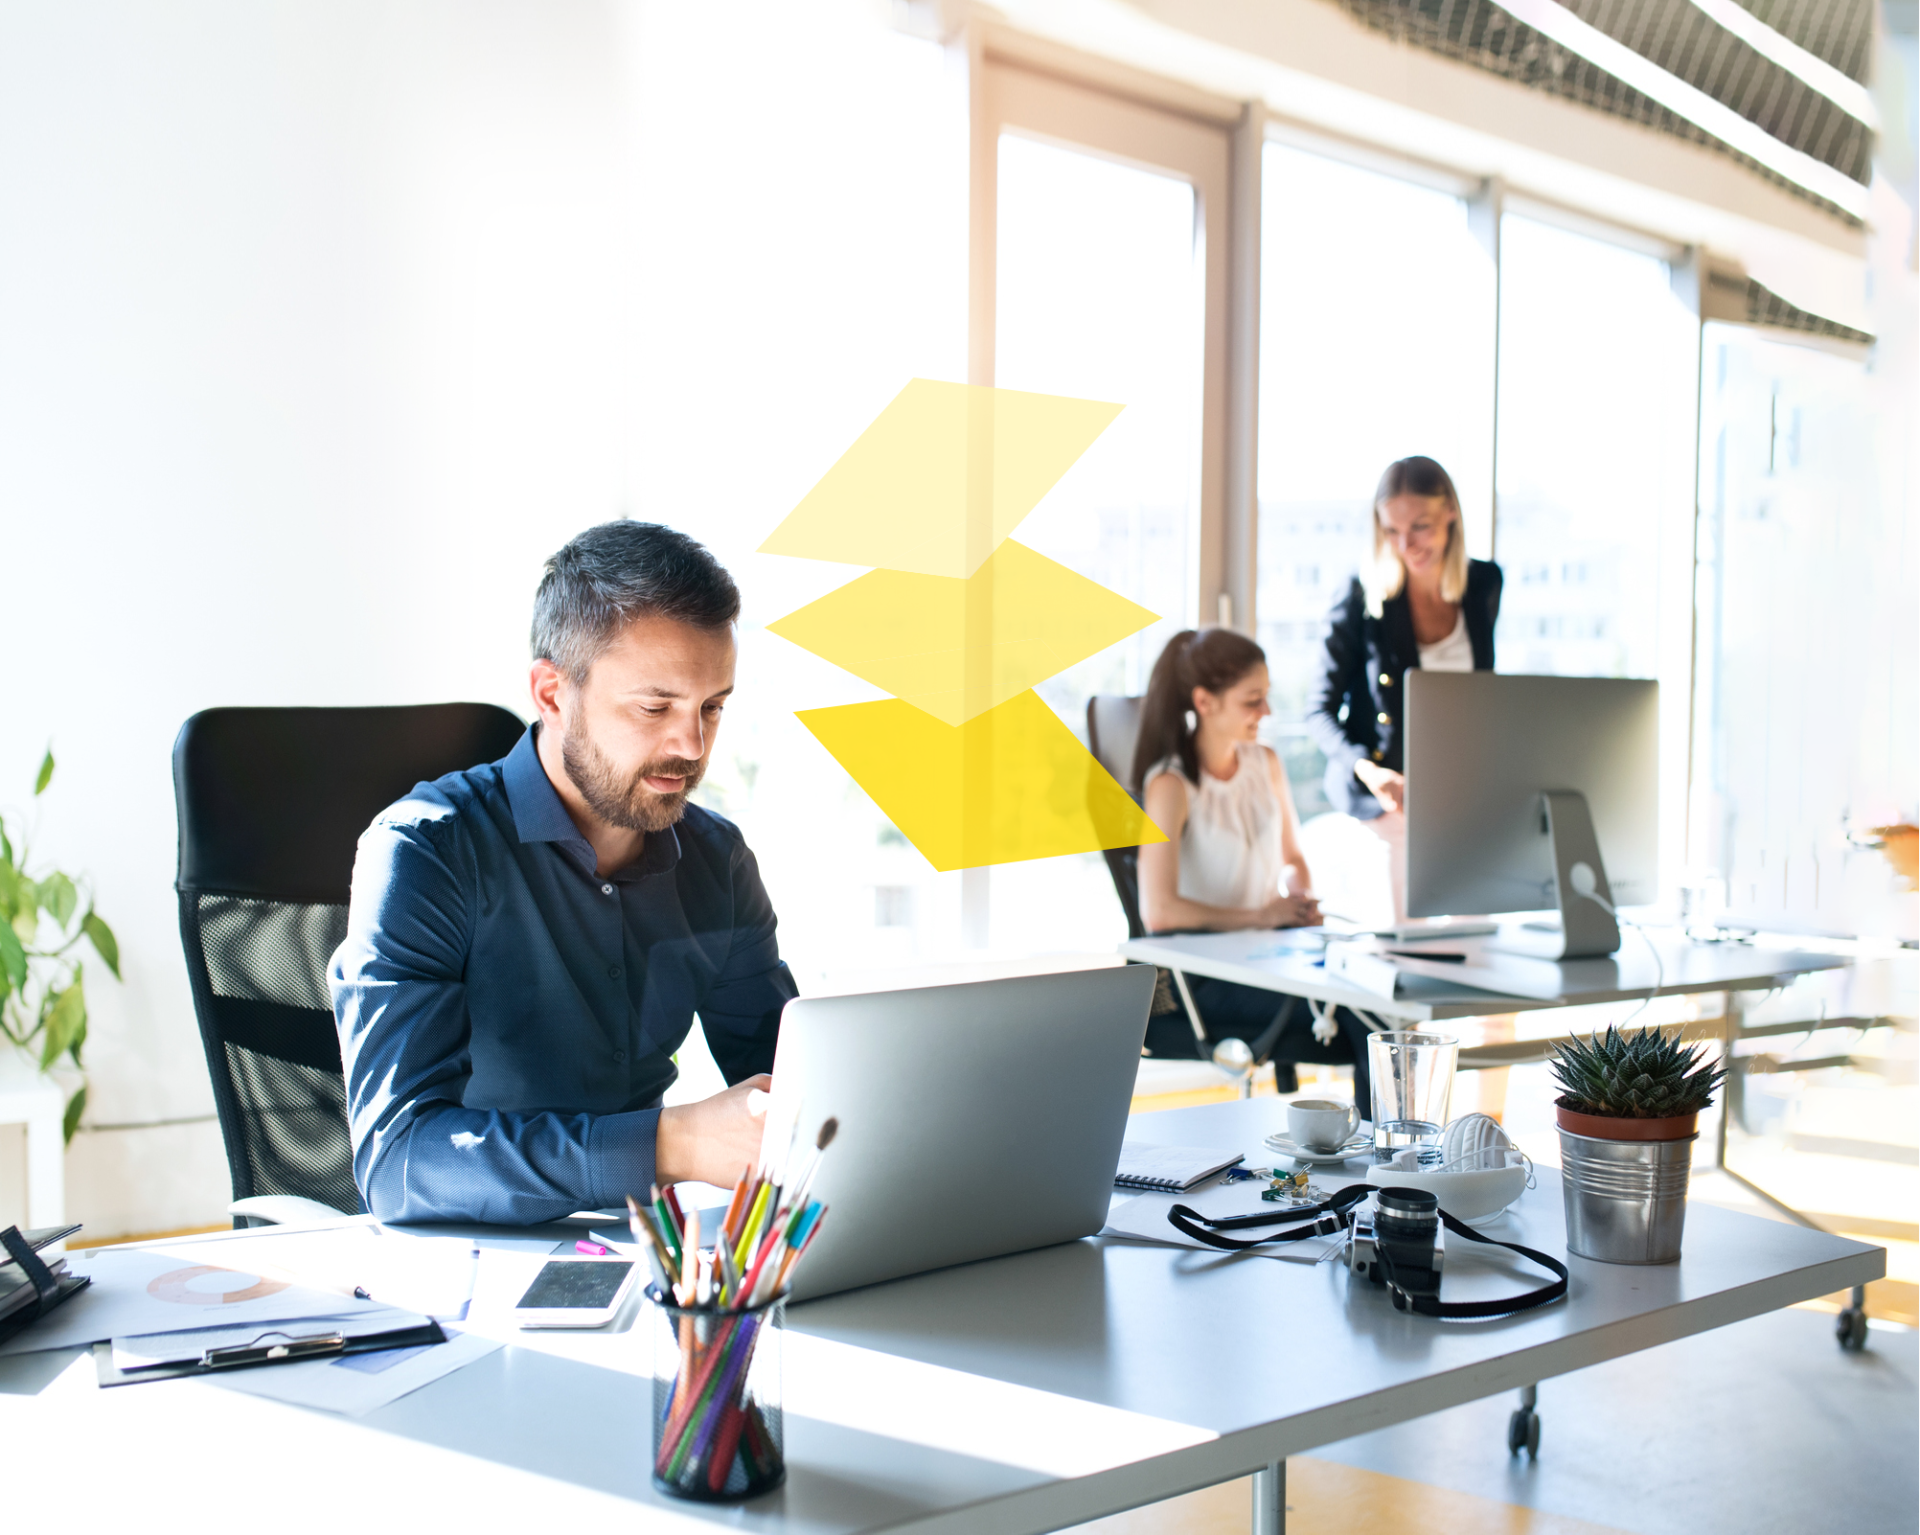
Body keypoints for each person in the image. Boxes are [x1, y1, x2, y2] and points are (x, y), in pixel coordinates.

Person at [330, 522, 796, 1224]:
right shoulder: (425, 852)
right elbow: (398, 1162)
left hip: (643, 1247)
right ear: (551, 693)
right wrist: (670, 1143)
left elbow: (793, 1087)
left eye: (712, 707)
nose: (692, 743)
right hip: (460, 1253)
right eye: (655, 706)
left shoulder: (717, 860)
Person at [1132, 626, 1372, 1107]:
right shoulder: (1171, 787)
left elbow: (1294, 859)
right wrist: (1263, 916)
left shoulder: (1266, 763)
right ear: (1205, 702)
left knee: (1379, 997)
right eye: (1252, 701)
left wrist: (1298, 902)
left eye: (1266, 696)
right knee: (1366, 1017)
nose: (1267, 712)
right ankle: (1389, 1147)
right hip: (1199, 977)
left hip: (1266, 957)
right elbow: (1159, 911)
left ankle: (1390, 1145)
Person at [1310, 455, 1502, 920]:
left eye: (1420, 527)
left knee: (1476, 927)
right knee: (1404, 934)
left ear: (1451, 513)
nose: (1405, 544)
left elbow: (1481, 695)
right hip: (1384, 793)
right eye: (1391, 531)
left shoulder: (1483, 583)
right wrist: (1369, 771)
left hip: (1457, 789)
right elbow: (1319, 711)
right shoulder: (1361, 596)